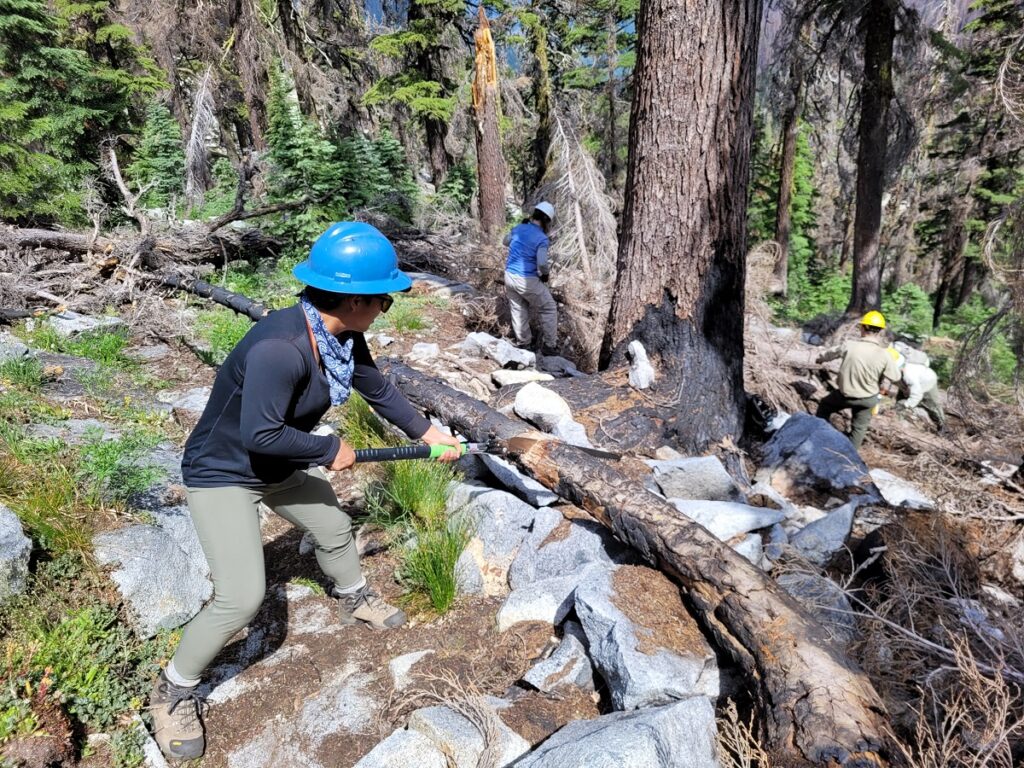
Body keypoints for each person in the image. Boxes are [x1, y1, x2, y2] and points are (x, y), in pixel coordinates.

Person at [147, 222, 462, 761]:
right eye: (384, 300)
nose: (387, 308)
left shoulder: (336, 334)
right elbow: (259, 433)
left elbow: (376, 386)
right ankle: (172, 691)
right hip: (225, 472)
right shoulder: (282, 347)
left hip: (278, 463)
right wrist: (326, 449)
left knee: (336, 526)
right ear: (355, 300)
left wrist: (428, 434)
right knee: (241, 598)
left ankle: (353, 596)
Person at [815, 311, 902, 449]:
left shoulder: (850, 345)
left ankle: (818, 438)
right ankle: (850, 457)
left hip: (845, 396)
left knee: (824, 406)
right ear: (880, 332)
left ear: (862, 328)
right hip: (868, 400)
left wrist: (820, 359)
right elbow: (896, 377)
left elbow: (829, 354)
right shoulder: (885, 354)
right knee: (859, 429)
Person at [504, 201, 558, 355]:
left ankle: (524, 343)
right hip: (526, 279)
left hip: (509, 275)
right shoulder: (542, 238)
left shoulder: (519, 228)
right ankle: (549, 346)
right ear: (547, 221)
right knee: (549, 308)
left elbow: (505, 242)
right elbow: (541, 263)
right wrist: (546, 275)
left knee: (518, 308)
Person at [892, 351, 946, 431]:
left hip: (928, 382)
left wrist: (907, 405)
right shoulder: (895, 372)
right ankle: (895, 422)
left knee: (933, 406)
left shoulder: (909, 375)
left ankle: (943, 427)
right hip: (909, 383)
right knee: (900, 402)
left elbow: (917, 395)